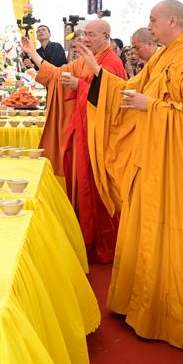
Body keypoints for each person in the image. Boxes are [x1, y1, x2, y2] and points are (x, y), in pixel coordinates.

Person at [78, 0, 183, 358]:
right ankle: (147, 306)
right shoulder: (166, 55)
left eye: (152, 19)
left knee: (180, 232)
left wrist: (151, 107)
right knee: (150, 228)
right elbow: (132, 87)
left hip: (182, 167)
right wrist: (98, 74)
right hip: (156, 160)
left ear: (172, 20)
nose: (149, 25)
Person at [21, 18, 125, 263]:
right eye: (84, 34)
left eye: (91, 34)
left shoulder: (111, 62)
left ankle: (103, 246)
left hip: (100, 138)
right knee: (80, 185)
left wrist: (80, 86)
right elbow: (56, 75)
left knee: (96, 190)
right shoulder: (87, 60)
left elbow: (115, 99)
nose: (86, 39)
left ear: (105, 36)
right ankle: (83, 239)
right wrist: (32, 53)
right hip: (82, 131)